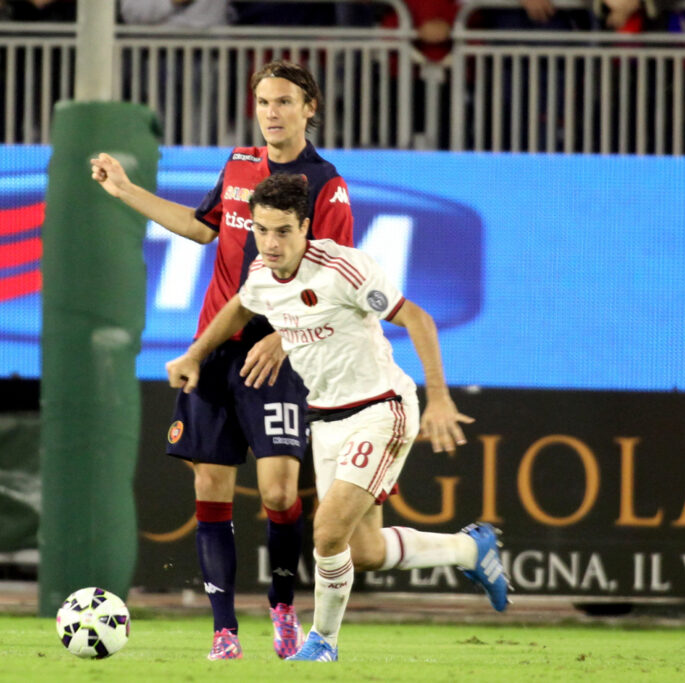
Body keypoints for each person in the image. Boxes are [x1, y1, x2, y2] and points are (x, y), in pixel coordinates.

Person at [165, 173, 510, 662]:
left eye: (283, 230)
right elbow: (239, 308)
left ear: (305, 225)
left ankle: (321, 643)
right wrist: (194, 355)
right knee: (363, 550)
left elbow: (417, 318)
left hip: (380, 408)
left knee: (326, 532)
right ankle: (470, 551)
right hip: (325, 422)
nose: (271, 242)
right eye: (262, 230)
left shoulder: (344, 269)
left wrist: (439, 398)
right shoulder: (263, 275)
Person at [90, 59, 354, 660]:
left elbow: (339, 281)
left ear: (310, 108)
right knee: (210, 484)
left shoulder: (328, 186)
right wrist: (127, 190)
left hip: (279, 354)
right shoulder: (238, 166)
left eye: (285, 102)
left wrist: (285, 337)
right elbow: (202, 227)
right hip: (215, 349)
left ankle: (283, 608)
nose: (272, 113)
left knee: (281, 494)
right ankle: (224, 631)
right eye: (264, 102)